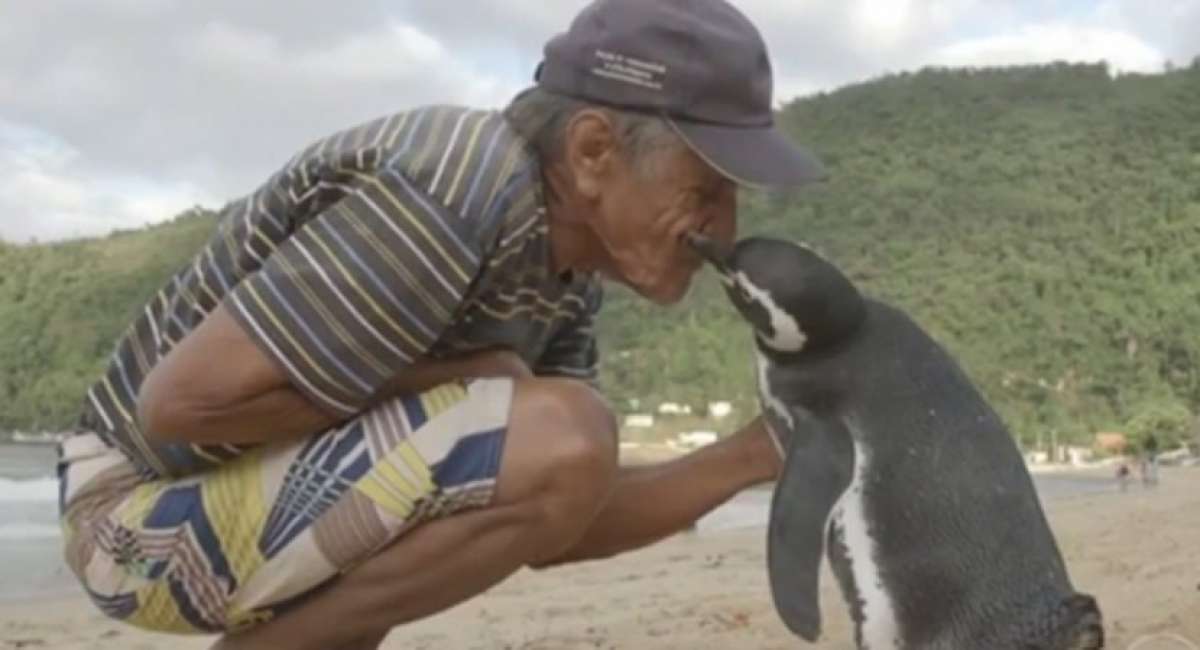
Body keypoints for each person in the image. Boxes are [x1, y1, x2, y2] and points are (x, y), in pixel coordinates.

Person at [54, 1, 826, 648]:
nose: (723, 228)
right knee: (563, 427)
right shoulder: (456, 186)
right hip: (129, 521)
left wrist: (755, 453)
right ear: (593, 151)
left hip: (216, 516)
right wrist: (466, 377)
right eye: (706, 188)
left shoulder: (562, 282)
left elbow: (558, 517)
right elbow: (178, 408)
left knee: (565, 435)